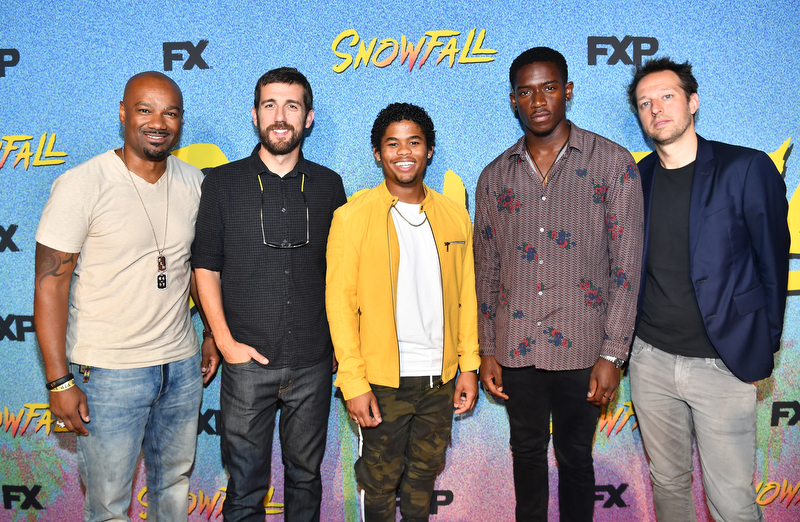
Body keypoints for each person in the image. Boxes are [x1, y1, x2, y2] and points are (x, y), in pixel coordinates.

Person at [33, 71, 219, 522]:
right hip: (108, 374)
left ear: (181, 121)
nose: (158, 122)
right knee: (109, 505)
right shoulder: (82, 184)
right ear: (122, 114)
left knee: (173, 488)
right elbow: (50, 284)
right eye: (145, 110)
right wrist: (59, 382)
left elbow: (198, 267)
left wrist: (211, 333)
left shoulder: (194, 182)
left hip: (180, 366)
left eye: (170, 113)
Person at [474, 47, 644, 521]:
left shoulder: (613, 164)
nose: (538, 101)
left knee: (575, 459)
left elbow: (626, 269)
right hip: (516, 347)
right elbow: (486, 269)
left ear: (567, 90)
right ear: (513, 100)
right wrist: (487, 349)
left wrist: (613, 354)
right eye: (526, 92)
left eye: (548, 88)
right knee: (526, 456)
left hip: (585, 348)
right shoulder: (494, 177)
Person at [626, 57, 789, 522]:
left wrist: (762, 345)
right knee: (668, 484)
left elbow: (773, 263)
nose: (657, 109)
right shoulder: (637, 178)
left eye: (667, 96)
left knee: (732, 500)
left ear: (693, 102)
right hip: (651, 362)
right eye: (645, 103)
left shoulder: (746, 167)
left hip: (723, 364)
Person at [192, 67, 347, 521]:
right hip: (245, 363)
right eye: (270, 105)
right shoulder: (221, 183)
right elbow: (205, 267)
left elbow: (342, 274)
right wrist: (225, 343)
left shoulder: (330, 185)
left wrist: (339, 344)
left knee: (306, 480)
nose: (280, 116)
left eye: (291, 106)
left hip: (313, 362)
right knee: (244, 490)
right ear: (255, 114)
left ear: (308, 117)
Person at [326, 102, 481, 522]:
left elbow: (466, 295)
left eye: (414, 142)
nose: (404, 152)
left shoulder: (454, 215)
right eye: (392, 144)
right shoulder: (351, 217)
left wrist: (469, 366)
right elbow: (340, 305)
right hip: (381, 382)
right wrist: (353, 382)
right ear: (377, 153)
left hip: (440, 380)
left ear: (429, 150)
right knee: (379, 483)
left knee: (423, 478)